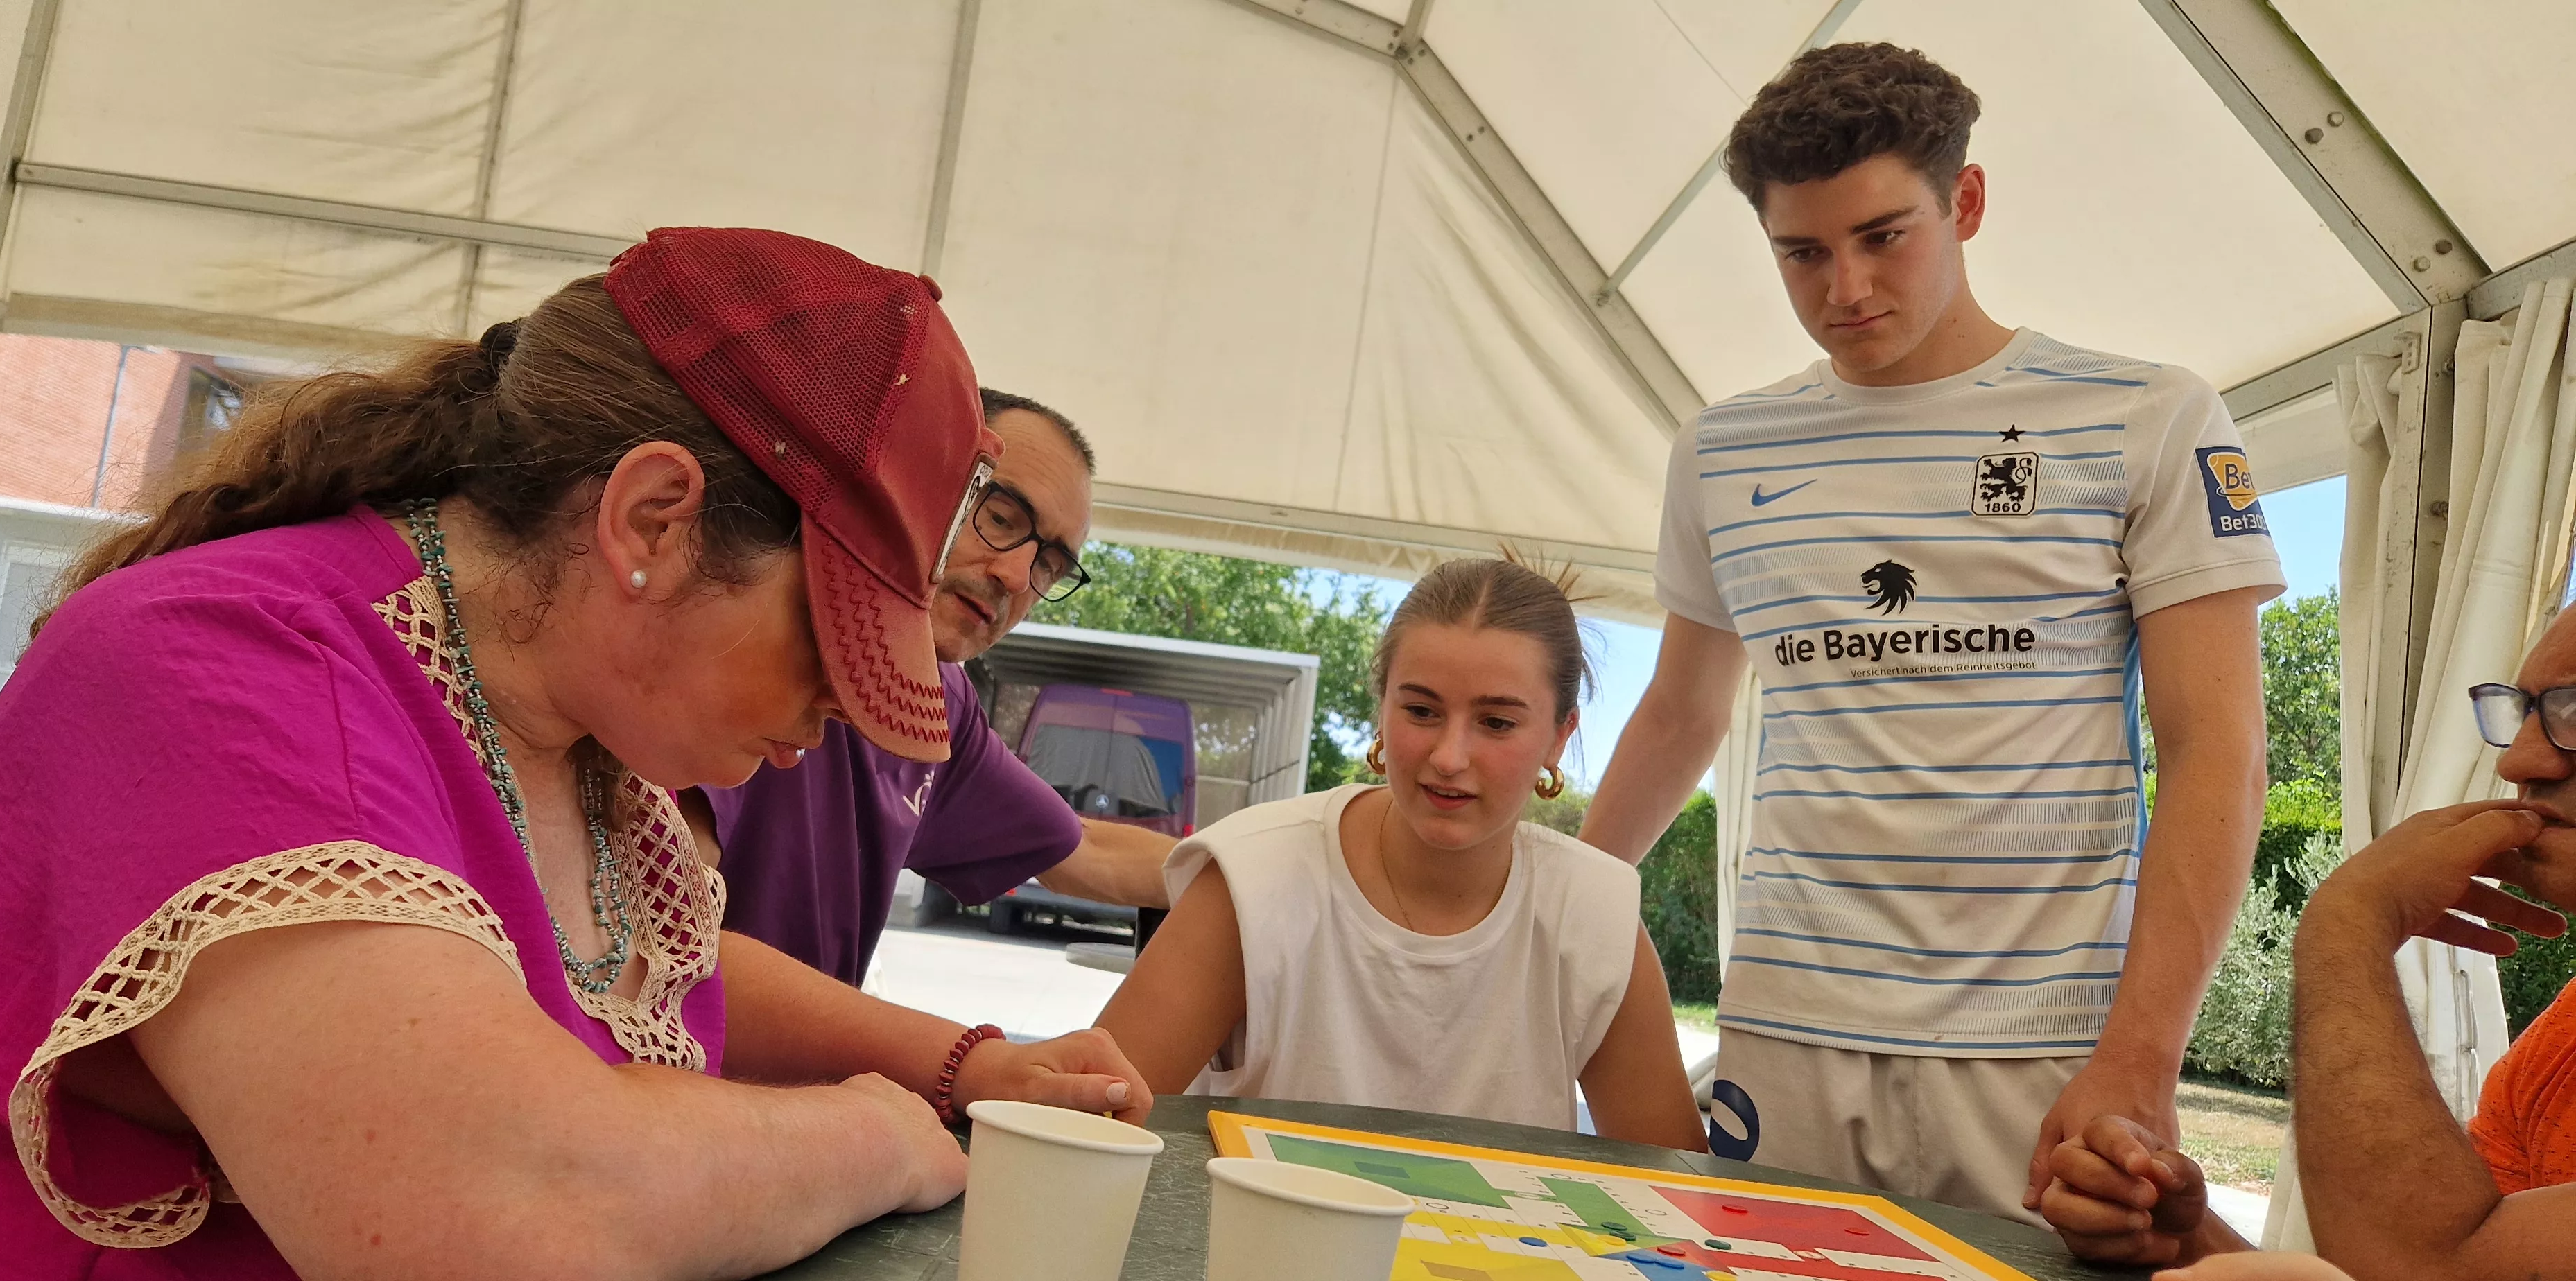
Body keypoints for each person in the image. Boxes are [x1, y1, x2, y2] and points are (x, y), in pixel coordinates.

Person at [0, 228, 1149, 1280]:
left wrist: (959, 1066)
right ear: (655, 519)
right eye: (828, 645)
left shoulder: (590, 751)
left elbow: (635, 1006)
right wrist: (880, 1133)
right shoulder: (218, 670)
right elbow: (501, 1211)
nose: (839, 720)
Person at [1574, 42, 2283, 1221]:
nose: (1842, 289)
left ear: (1966, 202)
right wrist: (1549, 910)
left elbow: (2221, 748)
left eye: (1883, 236)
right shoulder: (1721, 448)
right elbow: (1683, 712)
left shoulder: (2146, 415)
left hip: (2044, 1045)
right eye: (1800, 253)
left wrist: (2145, 1055)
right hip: (1788, 1028)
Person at [2037, 605, 2576, 1279]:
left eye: (2573, 708)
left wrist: (2348, 923)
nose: (2519, 760)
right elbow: (2431, 1252)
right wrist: (2189, 1240)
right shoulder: (2556, 1051)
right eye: (2522, 711)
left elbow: (2430, 1269)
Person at [1096, 558, 1709, 1149]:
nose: (1449, 755)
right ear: (1381, 713)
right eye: (1421, 710)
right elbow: (1093, 1121)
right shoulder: (1257, 880)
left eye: (1496, 723)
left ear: (1559, 736)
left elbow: (1676, 1191)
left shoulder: (1593, 914)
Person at [682, 387, 1173, 988]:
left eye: (1049, 566)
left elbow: (1084, 850)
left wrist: (1292, 864)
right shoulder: (749, 626)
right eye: (999, 518)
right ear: (918, 476)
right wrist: (960, 1060)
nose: (1016, 575)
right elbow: (674, 954)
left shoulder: (943, 703)